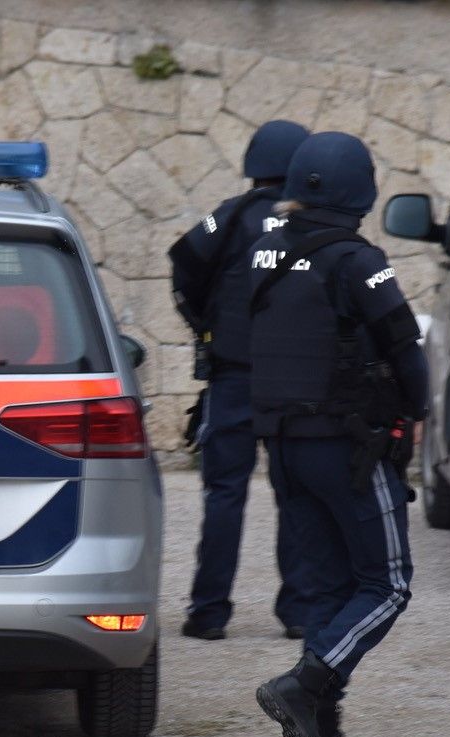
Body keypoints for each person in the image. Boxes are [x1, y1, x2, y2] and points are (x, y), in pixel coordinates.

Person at [247, 132, 428, 737]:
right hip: (350, 447)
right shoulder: (361, 259)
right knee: (387, 583)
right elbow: (404, 343)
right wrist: (420, 408)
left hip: (284, 447)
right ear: (362, 191)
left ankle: (321, 735)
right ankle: (306, 683)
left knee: (326, 587)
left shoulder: (264, 251)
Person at [168, 119, 315, 641]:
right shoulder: (315, 225)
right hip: (295, 387)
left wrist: (204, 326)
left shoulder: (231, 217)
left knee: (224, 495)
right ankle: (298, 612)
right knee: (295, 495)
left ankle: (208, 614)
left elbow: (182, 264)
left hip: (232, 379)